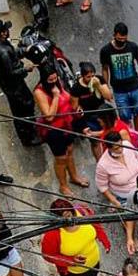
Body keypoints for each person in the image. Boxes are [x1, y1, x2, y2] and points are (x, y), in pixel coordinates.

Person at [33, 65, 88, 196]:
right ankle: (63, 186)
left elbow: (68, 97)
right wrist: (56, 96)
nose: (53, 82)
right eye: (50, 80)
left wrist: (77, 107)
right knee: (61, 158)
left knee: (69, 151)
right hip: (53, 131)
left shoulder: (59, 84)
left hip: (67, 124)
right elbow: (49, 116)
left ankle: (74, 177)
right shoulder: (39, 92)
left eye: (55, 78)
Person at [0, 20, 39, 146]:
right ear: (2, 33)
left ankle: (31, 130)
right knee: (22, 110)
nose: (8, 31)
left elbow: (14, 55)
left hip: (15, 84)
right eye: (5, 30)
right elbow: (10, 73)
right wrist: (26, 69)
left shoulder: (2, 45)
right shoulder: (2, 53)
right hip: (13, 87)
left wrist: (24, 50)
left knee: (27, 104)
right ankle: (28, 138)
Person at [100, 22, 138, 132]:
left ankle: (137, 136)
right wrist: (106, 86)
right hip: (119, 91)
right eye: (119, 38)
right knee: (124, 116)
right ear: (114, 35)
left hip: (134, 87)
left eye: (124, 38)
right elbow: (105, 69)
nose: (122, 41)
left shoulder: (133, 47)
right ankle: (129, 136)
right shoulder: (106, 51)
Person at [70, 61, 114, 158]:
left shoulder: (99, 80)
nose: (91, 79)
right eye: (88, 77)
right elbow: (74, 108)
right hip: (89, 118)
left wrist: (98, 86)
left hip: (103, 114)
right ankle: (100, 161)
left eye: (92, 76)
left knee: (110, 135)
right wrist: (83, 126)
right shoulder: (76, 88)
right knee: (95, 142)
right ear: (82, 76)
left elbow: (109, 97)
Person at [95, 131, 138, 208]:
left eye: (121, 146)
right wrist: (114, 201)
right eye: (116, 148)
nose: (120, 150)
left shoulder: (127, 145)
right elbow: (102, 186)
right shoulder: (103, 165)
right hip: (124, 196)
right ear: (109, 148)